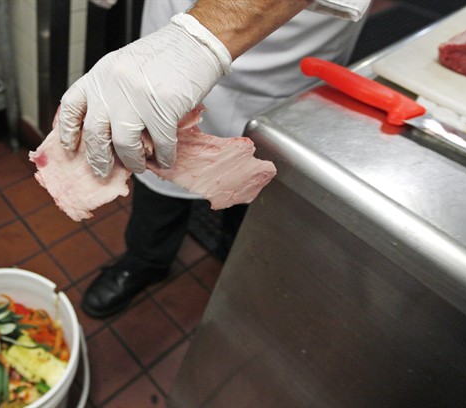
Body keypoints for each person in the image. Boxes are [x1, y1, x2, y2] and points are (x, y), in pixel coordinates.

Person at [58, 0, 370, 318]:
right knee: (155, 177)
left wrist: (199, 40)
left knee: (256, 191)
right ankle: (145, 262)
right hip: (171, 38)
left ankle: (235, 259)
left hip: (289, 59)